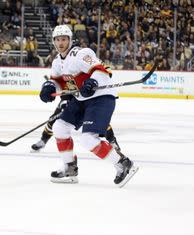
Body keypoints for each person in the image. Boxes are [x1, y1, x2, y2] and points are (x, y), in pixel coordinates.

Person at [39, 25, 138, 187]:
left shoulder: (81, 53)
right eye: (57, 39)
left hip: (101, 97)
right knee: (59, 128)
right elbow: (58, 82)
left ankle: (123, 164)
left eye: (64, 39)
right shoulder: (57, 61)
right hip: (81, 99)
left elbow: (101, 69)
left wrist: (93, 81)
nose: (61, 43)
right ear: (53, 42)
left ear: (70, 40)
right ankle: (69, 169)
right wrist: (49, 87)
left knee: (87, 139)